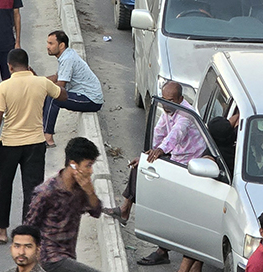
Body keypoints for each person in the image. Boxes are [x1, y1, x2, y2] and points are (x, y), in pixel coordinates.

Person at [102, 80, 204, 267]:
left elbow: (176, 134)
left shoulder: (185, 115)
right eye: (163, 100)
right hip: (174, 156)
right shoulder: (169, 109)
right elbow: (159, 132)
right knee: (139, 167)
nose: (165, 104)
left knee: (167, 204)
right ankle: (125, 210)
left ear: (180, 99)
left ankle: (162, 249)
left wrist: (160, 151)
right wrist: (149, 154)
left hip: (189, 164)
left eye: (170, 100)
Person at [0, 48, 63, 245]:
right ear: (28, 65)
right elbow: (63, 96)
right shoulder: (41, 82)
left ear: (9, 66)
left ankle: (2, 232)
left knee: (4, 187)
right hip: (35, 144)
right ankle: (28, 234)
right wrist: (39, 79)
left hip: (9, 145)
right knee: (32, 189)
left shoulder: (5, 86)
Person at [24, 137, 103, 272]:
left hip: (68, 256)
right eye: (88, 165)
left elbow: (96, 212)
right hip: (50, 259)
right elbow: (29, 227)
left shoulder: (81, 188)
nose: (91, 171)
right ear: (73, 165)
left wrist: (90, 192)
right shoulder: (46, 192)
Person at [42, 31, 103, 148]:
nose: (47, 47)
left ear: (61, 45)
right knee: (47, 93)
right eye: (47, 43)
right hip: (84, 95)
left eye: (51, 43)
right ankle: (43, 127)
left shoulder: (67, 59)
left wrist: (42, 88)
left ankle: (48, 138)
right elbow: (56, 77)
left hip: (90, 99)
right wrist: (37, 82)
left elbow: (59, 87)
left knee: (53, 97)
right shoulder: (66, 55)